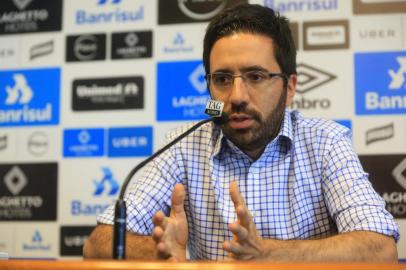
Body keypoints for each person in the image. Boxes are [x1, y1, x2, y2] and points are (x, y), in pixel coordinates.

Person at [83, 4, 400, 262]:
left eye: (256, 76)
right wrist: (163, 255)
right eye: (222, 79)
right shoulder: (183, 146)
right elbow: (98, 243)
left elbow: (380, 249)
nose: (236, 96)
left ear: (289, 87)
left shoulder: (325, 142)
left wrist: (267, 255)